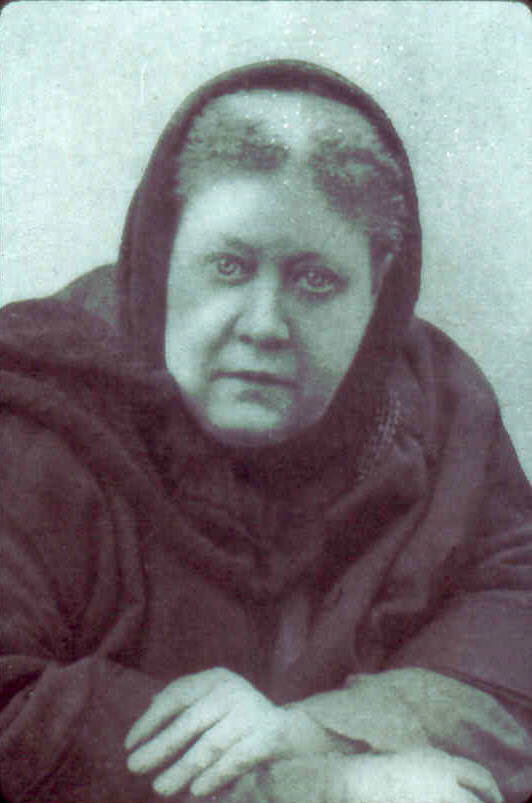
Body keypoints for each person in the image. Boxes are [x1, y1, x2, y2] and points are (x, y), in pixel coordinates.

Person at [0, 60, 531, 803]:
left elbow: (513, 611)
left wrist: (322, 728)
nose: (264, 325)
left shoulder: (436, 405)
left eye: (316, 280)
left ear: (380, 280)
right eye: (228, 265)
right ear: (162, 255)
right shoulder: (36, 407)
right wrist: (324, 788)